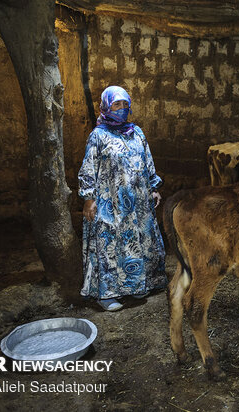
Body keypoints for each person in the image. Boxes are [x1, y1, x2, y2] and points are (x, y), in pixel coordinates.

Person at [78, 85, 166, 311]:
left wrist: (154, 187)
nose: (121, 109)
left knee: (136, 243)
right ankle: (106, 295)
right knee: (110, 246)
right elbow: (89, 167)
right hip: (110, 203)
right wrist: (88, 198)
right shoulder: (98, 136)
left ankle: (135, 286)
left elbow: (148, 163)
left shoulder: (137, 133)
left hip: (137, 202)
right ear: (106, 106)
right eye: (116, 104)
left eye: (125, 104)